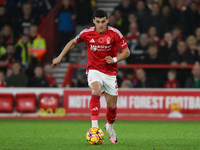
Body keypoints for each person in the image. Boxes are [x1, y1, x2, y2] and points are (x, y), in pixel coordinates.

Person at [51, 9, 130, 144]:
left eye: (103, 21)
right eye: (98, 22)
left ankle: (109, 128)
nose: (100, 24)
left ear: (107, 20)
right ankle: (94, 128)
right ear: (94, 21)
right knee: (95, 90)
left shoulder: (114, 33)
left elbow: (126, 52)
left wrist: (115, 59)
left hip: (110, 73)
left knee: (112, 107)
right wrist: (59, 57)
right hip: (94, 70)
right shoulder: (87, 33)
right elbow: (73, 42)